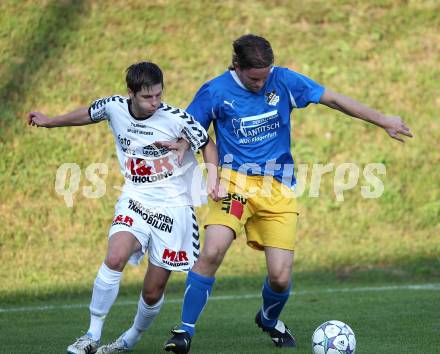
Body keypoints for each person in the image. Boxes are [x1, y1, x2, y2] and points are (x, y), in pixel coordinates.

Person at [163, 34, 413, 353]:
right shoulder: (215, 91)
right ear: (237, 67)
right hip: (234, 184)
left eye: (265, 75)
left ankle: (268, 319)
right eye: (254, 78)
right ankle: (183, 331)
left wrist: (383, 120)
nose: (261, 83)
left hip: (278, 188)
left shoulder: (283, 81)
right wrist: (185, 150)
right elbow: (192, 129)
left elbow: (333, 98)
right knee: (213, 250)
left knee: (280, 277)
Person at [28, 61, 224, 354]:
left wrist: (213, 179)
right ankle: (91, 335)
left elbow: (207, 143)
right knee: (116, 255)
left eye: (159, 95)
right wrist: (50, 120)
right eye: (147, 97)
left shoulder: (175, 118)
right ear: (130, 93)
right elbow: (89, 113)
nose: (155, 102)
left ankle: (129, 339)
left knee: (152, 289)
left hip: (175, 207)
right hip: (136, 197)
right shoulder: (115, 107)